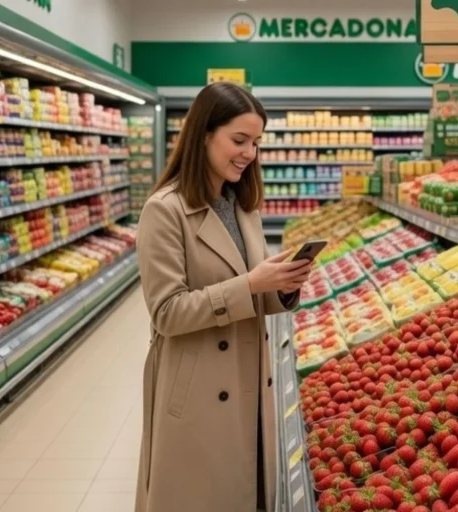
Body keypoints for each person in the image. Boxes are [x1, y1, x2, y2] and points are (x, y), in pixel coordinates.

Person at [134, 83, 311, 512]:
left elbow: (254, 292)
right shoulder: (164, 210)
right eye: (239, 140)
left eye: (256, 143)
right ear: (204, 135)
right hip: (199, 393)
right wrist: (249, 285)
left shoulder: (243, 207)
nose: (249, 153)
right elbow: (167, 312)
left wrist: (282, 286)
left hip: (249, 382)